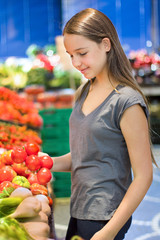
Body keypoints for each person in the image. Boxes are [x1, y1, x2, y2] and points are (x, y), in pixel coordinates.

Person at [49, 8, 156, 240]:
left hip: (105, 217)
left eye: (82, 53)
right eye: (70, 55)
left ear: (106, 44)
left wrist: (109, 231)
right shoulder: (84, 91)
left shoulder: (126, 102)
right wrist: (43, 162)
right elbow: (85, 156)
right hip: (80, 210)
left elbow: (144, 176)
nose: (76, 62)